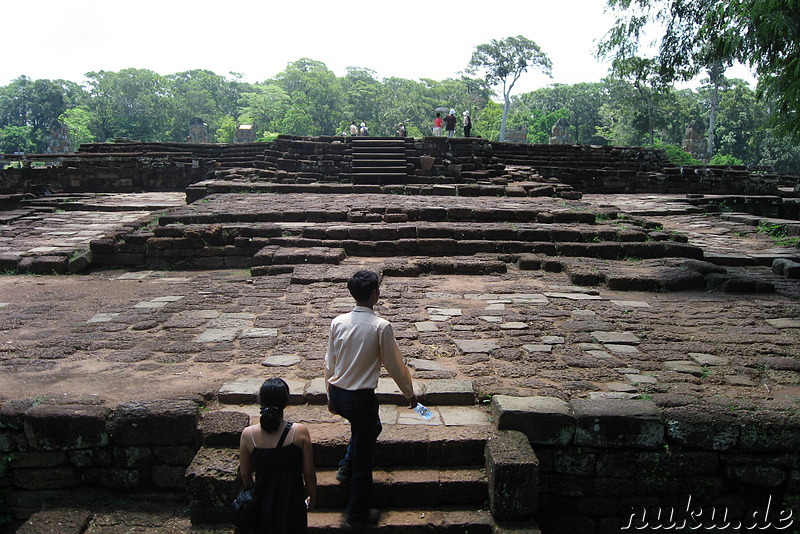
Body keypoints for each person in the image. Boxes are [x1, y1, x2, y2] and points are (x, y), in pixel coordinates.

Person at [325, 270, 420, 532]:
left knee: (369, 429)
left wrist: (329, 395)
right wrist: (410, 395)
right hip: (361, 399)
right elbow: (395, 365)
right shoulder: (381, 326)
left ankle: (345, 465)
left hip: (340, 394)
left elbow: (329, 364)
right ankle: (356, 514)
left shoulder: (337, 322)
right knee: (364, 458)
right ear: (376, 294)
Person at [238, 378, 317, 534]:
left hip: (262, 502)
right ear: (285, 403)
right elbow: (308, 473)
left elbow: (245, 475)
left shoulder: (248, 435)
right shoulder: (299, 432)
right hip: (292, 503)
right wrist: (313, 498)